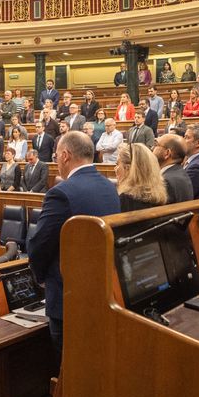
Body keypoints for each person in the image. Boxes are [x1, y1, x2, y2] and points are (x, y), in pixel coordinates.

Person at [28, 131, 120, 353]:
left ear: (66, 156)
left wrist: (39, 278)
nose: (56, 160)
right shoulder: (109, 186)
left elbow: (40, 245)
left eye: (56, 155)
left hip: (67, 299)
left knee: (68, 369)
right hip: (101, 292)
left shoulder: (61, 193)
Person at [154, 133, 194, 204]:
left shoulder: (165, 181)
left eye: (156, 145)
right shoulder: (180, 173)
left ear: (167, 153)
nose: (152, 148)